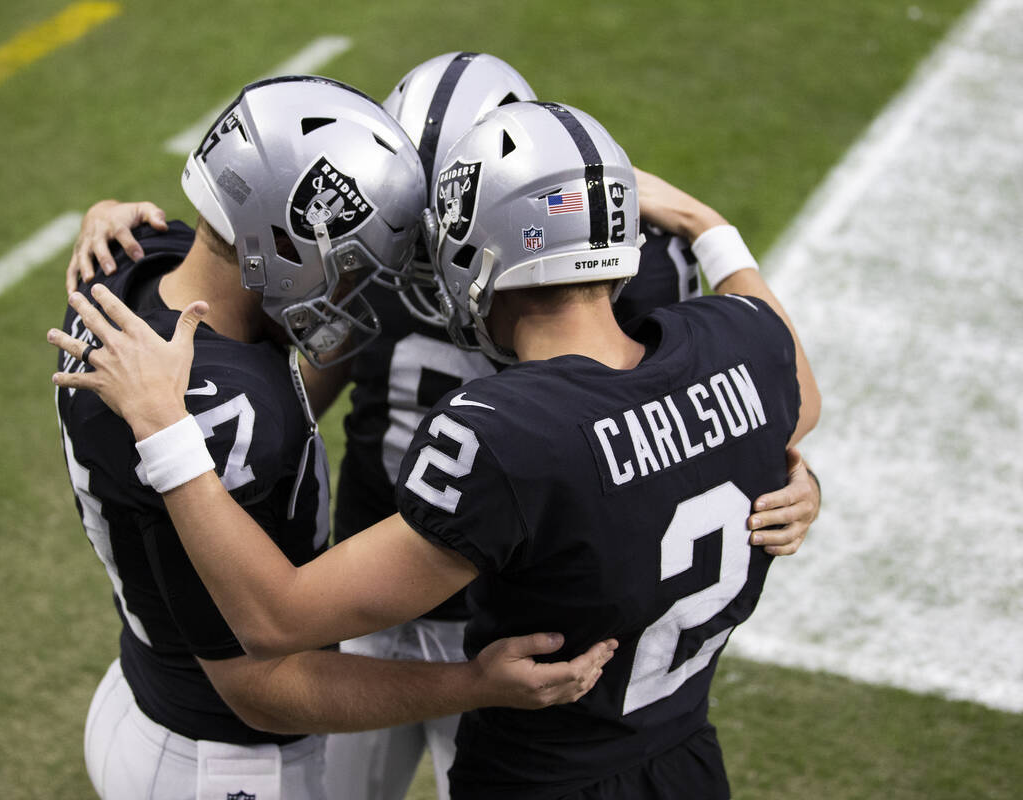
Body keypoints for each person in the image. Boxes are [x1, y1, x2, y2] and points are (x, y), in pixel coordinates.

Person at [65, 53, 821, 799]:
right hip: (376, 583)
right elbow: (746, 402)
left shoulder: (512, 429)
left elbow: (271, 618)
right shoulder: (699, 320)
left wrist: (794, 473)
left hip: (485, 607)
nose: (418, 262)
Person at [55, 77, 618, 800]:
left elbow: (151, 230)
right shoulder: (228, 416)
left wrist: (101, 212)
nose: (356, 290)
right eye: (351, 262)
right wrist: (472, 683)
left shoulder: (127, 259)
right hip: (221, 756)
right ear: (279, 241)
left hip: (142, 688)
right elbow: (261, 685)